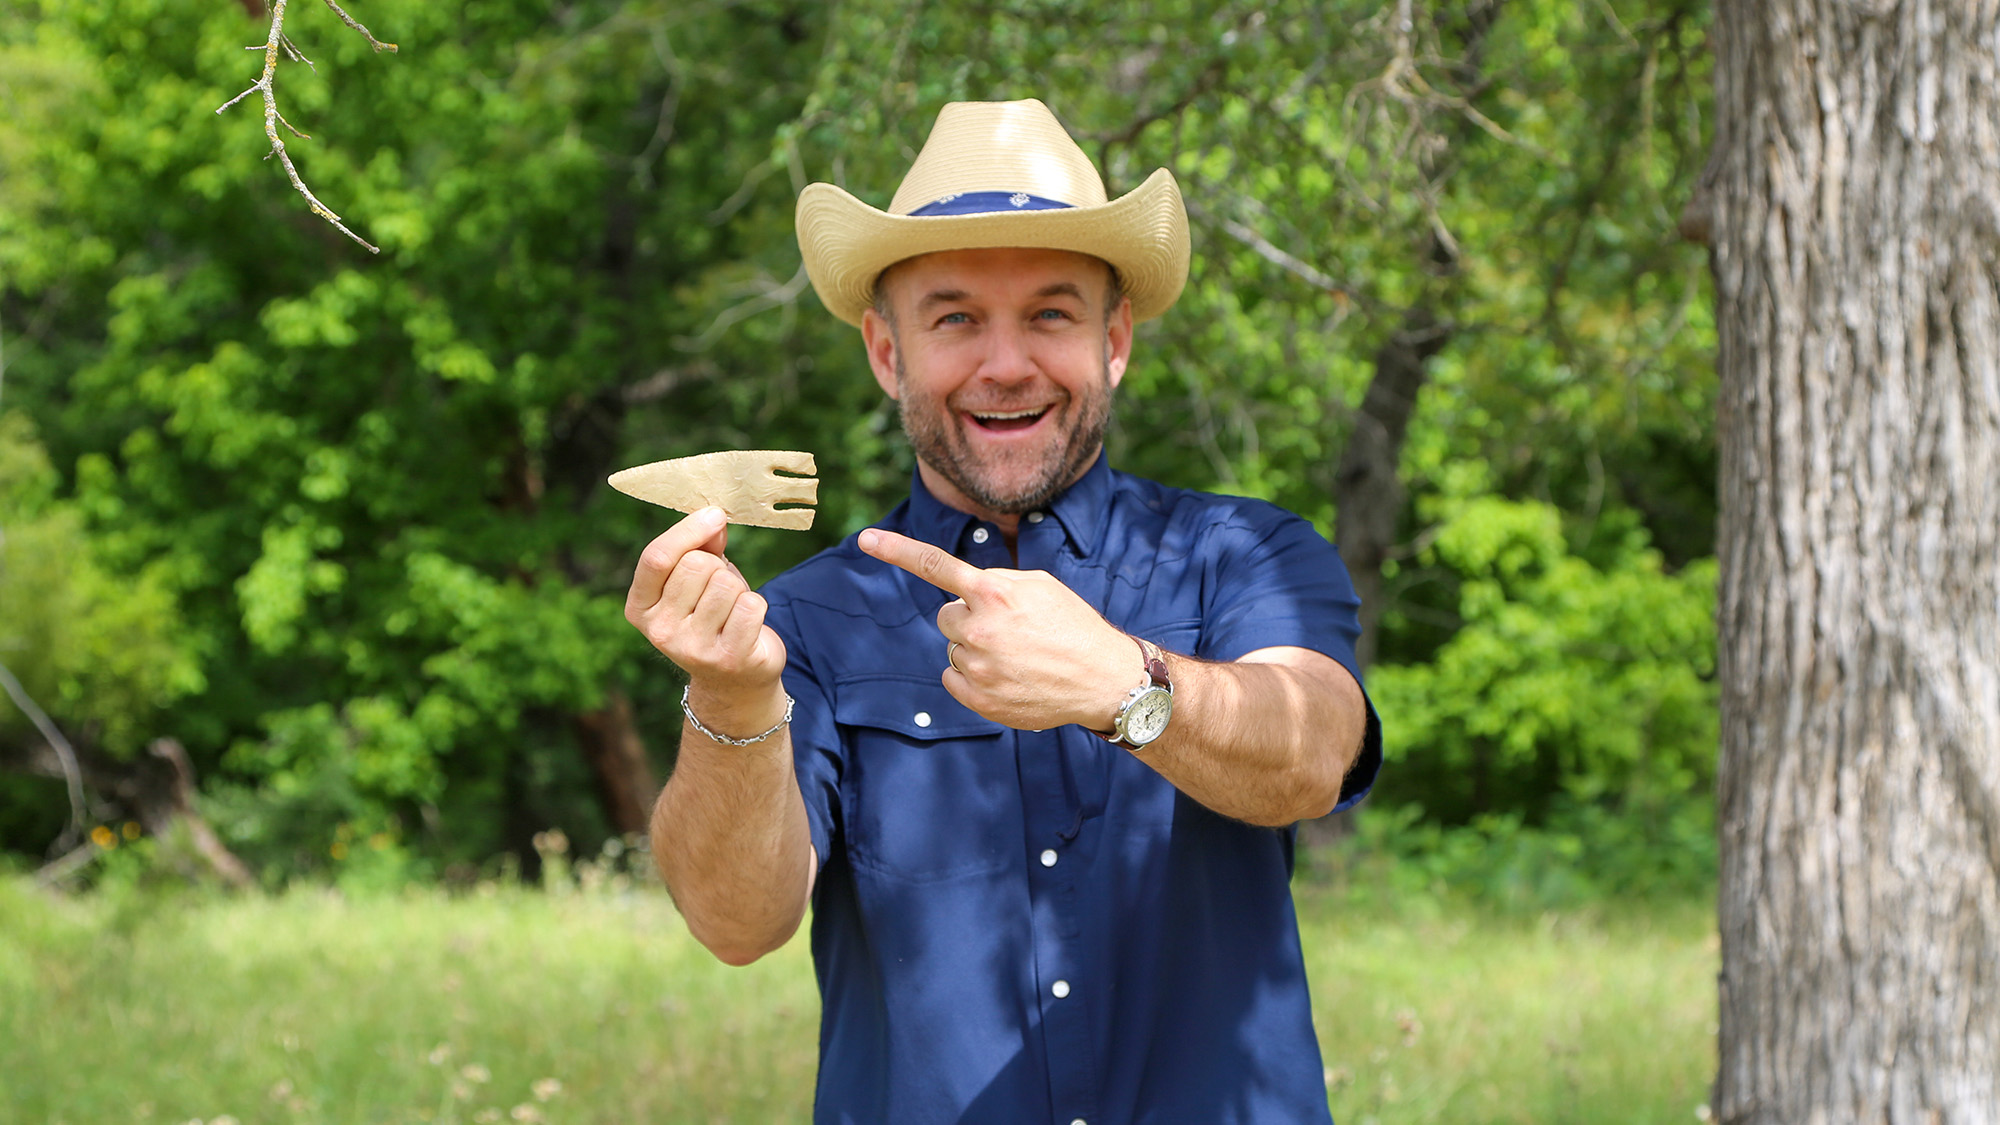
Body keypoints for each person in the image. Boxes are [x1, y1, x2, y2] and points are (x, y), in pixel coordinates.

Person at [626, 99, 1382, 1125]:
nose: (1007, 364)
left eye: (1050, 314)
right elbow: (734, 923)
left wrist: (1123, 685)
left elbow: (1314, 755)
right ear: (886, 352)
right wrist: (727, 696)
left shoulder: (1240, 553)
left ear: (1114, 339)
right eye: (953, 319)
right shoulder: (805, 620)